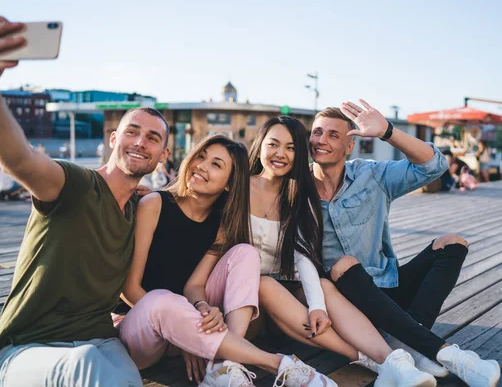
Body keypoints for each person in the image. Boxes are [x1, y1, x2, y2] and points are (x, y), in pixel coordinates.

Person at [0, 15, 170, 387]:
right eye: (132, 131)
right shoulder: (74, 184)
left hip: (100, 341)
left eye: (153, 138)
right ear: (112, 139)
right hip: (24, 350)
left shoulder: (139, 209)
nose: (141, 142)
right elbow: (19, 159)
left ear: (163, 155)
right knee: (86, 366)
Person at [115, 134, 336, 387]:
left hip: (189, 330)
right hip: (140, 332)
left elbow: (194, 286)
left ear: (230, 184)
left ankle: (221, 366)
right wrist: (186, 329)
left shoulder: (221, 222)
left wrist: (201, 307)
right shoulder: (155, 204)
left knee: (245, 253)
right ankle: (277, 364)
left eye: (216, 165)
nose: (201, 166)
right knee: (161, 300)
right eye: (201, 157)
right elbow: (129, 288)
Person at [309, 101, 501, 387]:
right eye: (316, 132)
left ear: (350, 147)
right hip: (342, 306)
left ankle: (409, 343)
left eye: (333, 135)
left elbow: (435, 166)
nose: (321, 140)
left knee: (452, 244)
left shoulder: (371, 174)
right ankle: (446, 354)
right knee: (344, 264)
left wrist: (387, 131)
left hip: (386, 289)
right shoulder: (296, 188)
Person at [248, 116, 437, 387]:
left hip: (284, 299)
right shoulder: (239, 186)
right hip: (243, 302)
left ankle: (395, 363)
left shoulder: (299, 195)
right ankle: (373, 361)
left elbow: (302, 255)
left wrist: (316, 307)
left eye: (290, 148)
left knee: (321, 286)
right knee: (264, 284)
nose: (281, 154)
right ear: (260, 146)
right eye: (273, 145)